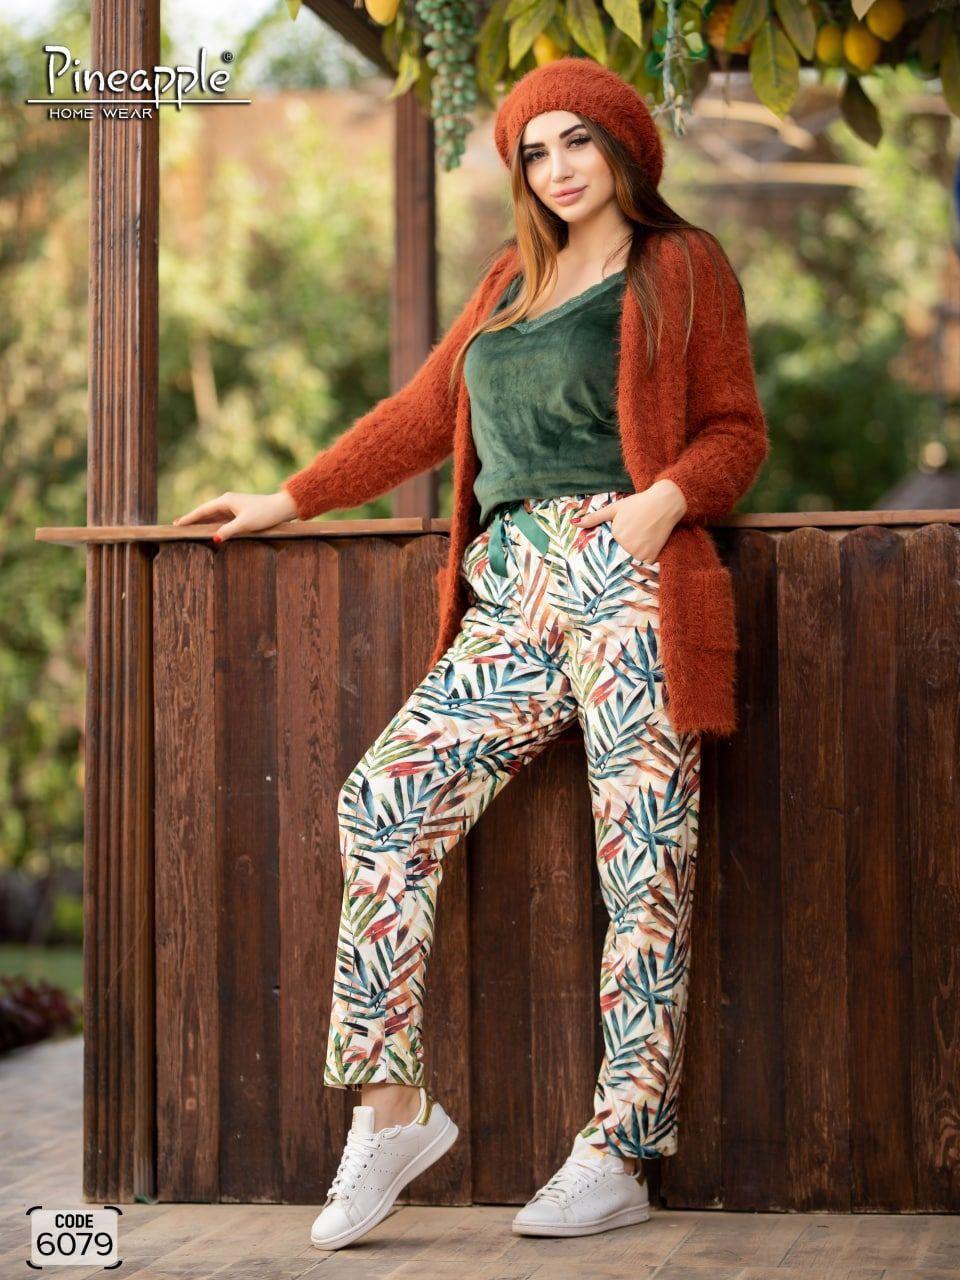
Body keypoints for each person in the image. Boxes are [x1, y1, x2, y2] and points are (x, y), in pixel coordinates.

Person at [175, 57, 769, 1251]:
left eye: (575, 143)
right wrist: (287, 498)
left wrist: (664, 500)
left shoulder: (682, 264)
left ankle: (619, 1143)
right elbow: (419, 411)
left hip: (627, 573)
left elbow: (737, 429)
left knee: (642, 862)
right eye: (533, 151)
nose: (555, 168)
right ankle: (393, 1105)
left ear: (623, 149)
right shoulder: (512, 279)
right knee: (384, 801)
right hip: (512, 589)